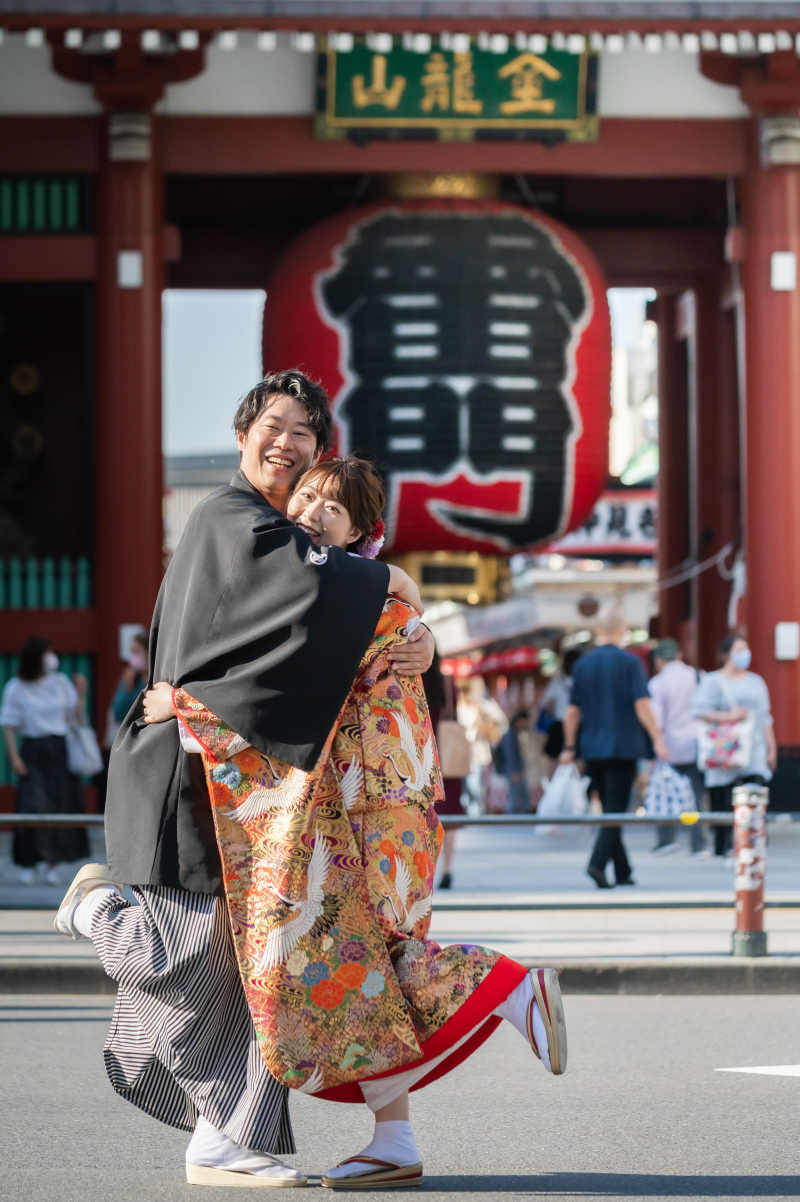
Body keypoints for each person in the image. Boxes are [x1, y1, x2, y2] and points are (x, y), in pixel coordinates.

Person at [139, 453, 568, 1190]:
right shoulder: (368, 594)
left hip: (364, 808)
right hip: (382, 801)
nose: (311, 512)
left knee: (369, 957)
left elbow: (283, 693)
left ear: (361, 531)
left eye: (331, 508)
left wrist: (182, 710)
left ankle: (508, 987)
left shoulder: (350, 598)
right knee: (369, 971)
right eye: (305, 497)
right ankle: (394, 1140)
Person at [54, 372, 438, 1189]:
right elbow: (322, 584)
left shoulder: (277, 532)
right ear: (243, 434)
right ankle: (91, 910)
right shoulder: (231, 519)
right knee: (182, 953)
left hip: (239, 775)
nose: (286, 443)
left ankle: (219, 1140)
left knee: (254, 967)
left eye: (304, 432)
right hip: (185, 766)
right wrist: (398, 584)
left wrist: (419, 633)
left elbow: (327, 613)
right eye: (274, 424)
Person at [560, 611, 668, 889]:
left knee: (610, 807)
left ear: (598, 631)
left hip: (591, 748)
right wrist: (657, 738)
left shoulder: (582, 665)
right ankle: (597, 864)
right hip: (623, 746)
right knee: (616, 809)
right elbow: (642, 705)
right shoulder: (631, 663)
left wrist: (570, 746)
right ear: (623, 630)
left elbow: (572, 712)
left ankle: (623, 870)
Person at [0, 637, 89, 885]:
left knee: (60, 806)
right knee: (31, 805)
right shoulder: (16, 687)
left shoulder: (60, 682)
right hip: (33, 749)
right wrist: (14, 756)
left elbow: (75, 715)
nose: (52, 657)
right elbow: (9, 725)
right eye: (46, 653)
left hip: (59, 748)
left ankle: (53, 864)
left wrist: (82, 693)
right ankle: (30, 863)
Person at [691, 633, 775, 858]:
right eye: (738, 650)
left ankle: (753, 843)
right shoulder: (713, 681)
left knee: (754, 793)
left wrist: (772, 748)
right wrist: (729, 716)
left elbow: (765, 717)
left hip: (753, 747)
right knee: (721, 797)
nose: (744, 654)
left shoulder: (756, 681)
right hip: (725, 747)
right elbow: (698, 710)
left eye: (745, 649)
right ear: (726, 654)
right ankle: (723, 844)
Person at [647, 638, 706, 857]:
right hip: (696, 744)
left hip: (669, 747)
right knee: (697, 796)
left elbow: (657, 719)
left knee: (666, 794)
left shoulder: (657, 683)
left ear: (658, 660)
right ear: (680, 654)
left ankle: (666, 839)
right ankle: (698, 844)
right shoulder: (698, 676)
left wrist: (657, 742)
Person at [421, 649, 466, 891]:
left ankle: (427, 869)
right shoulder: (448, 683)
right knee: (449, 816)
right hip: (448, 758)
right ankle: (447, 868)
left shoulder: (412, 680)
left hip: (423, 756)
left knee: (425, 816)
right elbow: (455, 712)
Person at [96, 629, 149, 813]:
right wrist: (127, 687)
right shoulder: (130, 678)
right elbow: (118, 711)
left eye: (136, 651)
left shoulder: (156, 679)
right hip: (127, 742)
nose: (133, 657)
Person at [539, 648, 581, 764]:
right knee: (579, 761)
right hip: (579, 725)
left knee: (555, 762)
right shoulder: (583, 681)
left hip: (559, 725)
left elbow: (547, 706)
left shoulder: (556, 682)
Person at [495, 710, 531, 814]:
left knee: (521, 797)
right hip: (513, 772)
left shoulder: (513, 734)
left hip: (514, 771)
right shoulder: (510, 735)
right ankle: (510, 819)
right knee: (515, 799)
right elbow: (510, 754)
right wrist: (514, 771)